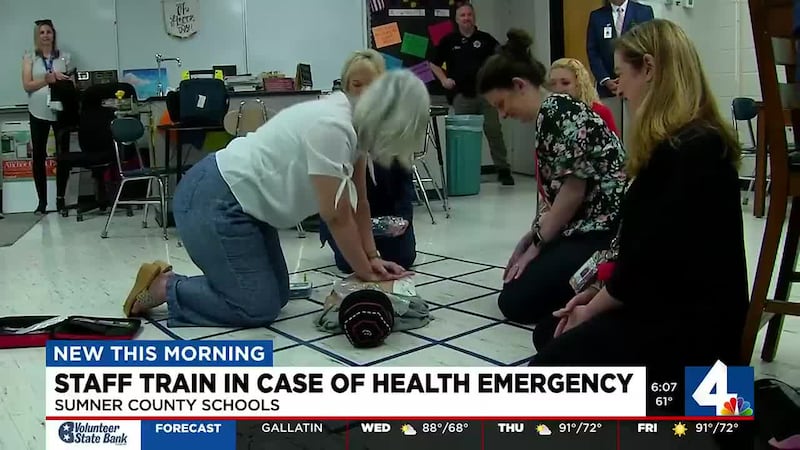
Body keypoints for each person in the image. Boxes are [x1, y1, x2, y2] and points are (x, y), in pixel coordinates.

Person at [122, 70, 431, 328]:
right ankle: (166, 286)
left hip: (244, 205)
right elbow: (336, 215)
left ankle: (208, 282)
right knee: (255, 307)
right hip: (213, 198)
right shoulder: (334, 127)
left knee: (277, 295)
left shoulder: (353, 120)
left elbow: (359, 203)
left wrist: (372, 258)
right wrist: (364, 272)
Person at [530, 20, 749, 383]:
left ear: (648, 68)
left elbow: (646, 268)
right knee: (550, 331)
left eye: (621, 75)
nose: (620, 89)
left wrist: (595, 306)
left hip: (690, 341)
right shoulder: (698, 140)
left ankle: (698, 414)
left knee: (544, 377)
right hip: (686, 315)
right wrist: (596, 295)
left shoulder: (682, 152)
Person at [476, 29, 627, 325]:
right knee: (516, 286)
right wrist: (531, 238)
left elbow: (572, 193)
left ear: (519, 85)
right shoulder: (552, 113)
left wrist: (537, 246)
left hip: (605, 231)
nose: (503, 115)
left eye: (501, 105)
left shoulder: (557, 113)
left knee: (515, 301)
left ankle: (600, 286)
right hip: (587, 226)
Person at [319, 50, 417, 272]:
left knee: (403, 259)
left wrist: (403, 220)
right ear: (346, 87)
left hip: (387, 215)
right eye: (356, 85)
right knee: (349, 265)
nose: (364, 93)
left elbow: (404, 183)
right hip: (349, 215)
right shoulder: (336, 125)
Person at [430, 2, 514, 186]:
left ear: (474, 17)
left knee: (494, 132)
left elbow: (502, 60)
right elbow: (434, 63)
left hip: (486, 95)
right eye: (462, 15)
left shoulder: (486, 39)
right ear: (456, 19)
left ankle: (503, 170)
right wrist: (444, 80)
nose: (466, 18)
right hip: (461, 96)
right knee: (464, 137)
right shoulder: (449, 40)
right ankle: (466, 173)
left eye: (469, 14)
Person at [21, 19, 72, 215]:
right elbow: (27, 85)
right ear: (37, 35)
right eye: (41, 32)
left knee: (63, 156)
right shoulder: (29, 58)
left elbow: (71, 84)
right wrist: (47, 80)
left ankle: (61, 200)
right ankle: (42, 202)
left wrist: (63, 80)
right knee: (39, 156)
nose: (45, 35)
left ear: (53, 34)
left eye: (48, 32)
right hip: (37, 111)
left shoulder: (64, 57)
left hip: (60, 112)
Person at [587, 0, 654, 99]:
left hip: (637, 83)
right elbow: (593, 51)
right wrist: (605, 79)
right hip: (607, 87)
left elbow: (650, 46)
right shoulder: (597, 16)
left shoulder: (644, 12)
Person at [548, 58, 618, 135]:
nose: (558, 89)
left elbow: (614, 146)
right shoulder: (548, 116)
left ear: (580, 85)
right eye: (553, 84)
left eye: (565, 83)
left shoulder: (599, 113)